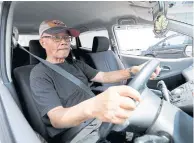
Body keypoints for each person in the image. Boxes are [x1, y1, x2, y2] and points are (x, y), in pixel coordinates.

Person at [30, 20, 161, 143]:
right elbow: (57, 119)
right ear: (43, 42)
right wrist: (94, 106)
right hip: (76, 132)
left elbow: (104, 77)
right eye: (57, 37)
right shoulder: (39, 74)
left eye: (66, 38)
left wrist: (132, 71)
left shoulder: (75, 64)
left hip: (97, 118)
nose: (64, 42)